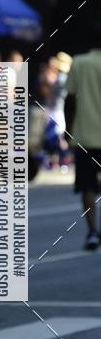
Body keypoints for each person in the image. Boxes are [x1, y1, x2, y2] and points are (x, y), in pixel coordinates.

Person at [64, 44, 101, 250]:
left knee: (87, 186)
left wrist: (68, 128)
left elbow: (69, 99)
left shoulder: (79, 63)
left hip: (85, 135)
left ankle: (92, 230)